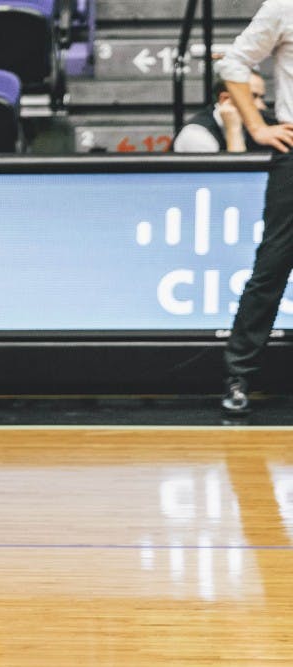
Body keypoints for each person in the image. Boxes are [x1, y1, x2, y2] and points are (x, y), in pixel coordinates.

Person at [217, 0, 293, 415]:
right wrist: (257, 126)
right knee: (273, 265)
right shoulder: (284, 7)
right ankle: (239, 374)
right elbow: (233, 64)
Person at [173, 71, 275, 153]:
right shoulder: (196, 135)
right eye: (252, 97)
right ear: (225, 99)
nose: (262, 106)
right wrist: (233, 130)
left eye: (261, 98)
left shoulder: (258, 126)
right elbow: (236, 177)